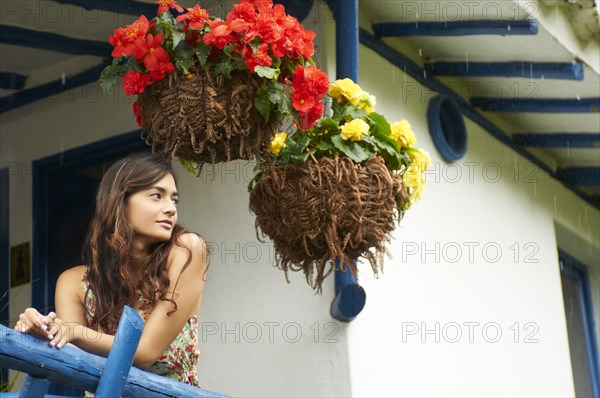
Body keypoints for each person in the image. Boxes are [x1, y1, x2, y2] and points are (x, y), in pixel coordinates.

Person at [14, 152, 207, 386]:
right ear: (120, 202)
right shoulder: (73, 282)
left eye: (174, 200)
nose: (171, 209)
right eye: (157, 196)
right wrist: (43, 332)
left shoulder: (187, 250)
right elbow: (72, 364)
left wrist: (75, 331)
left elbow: (146, 352)